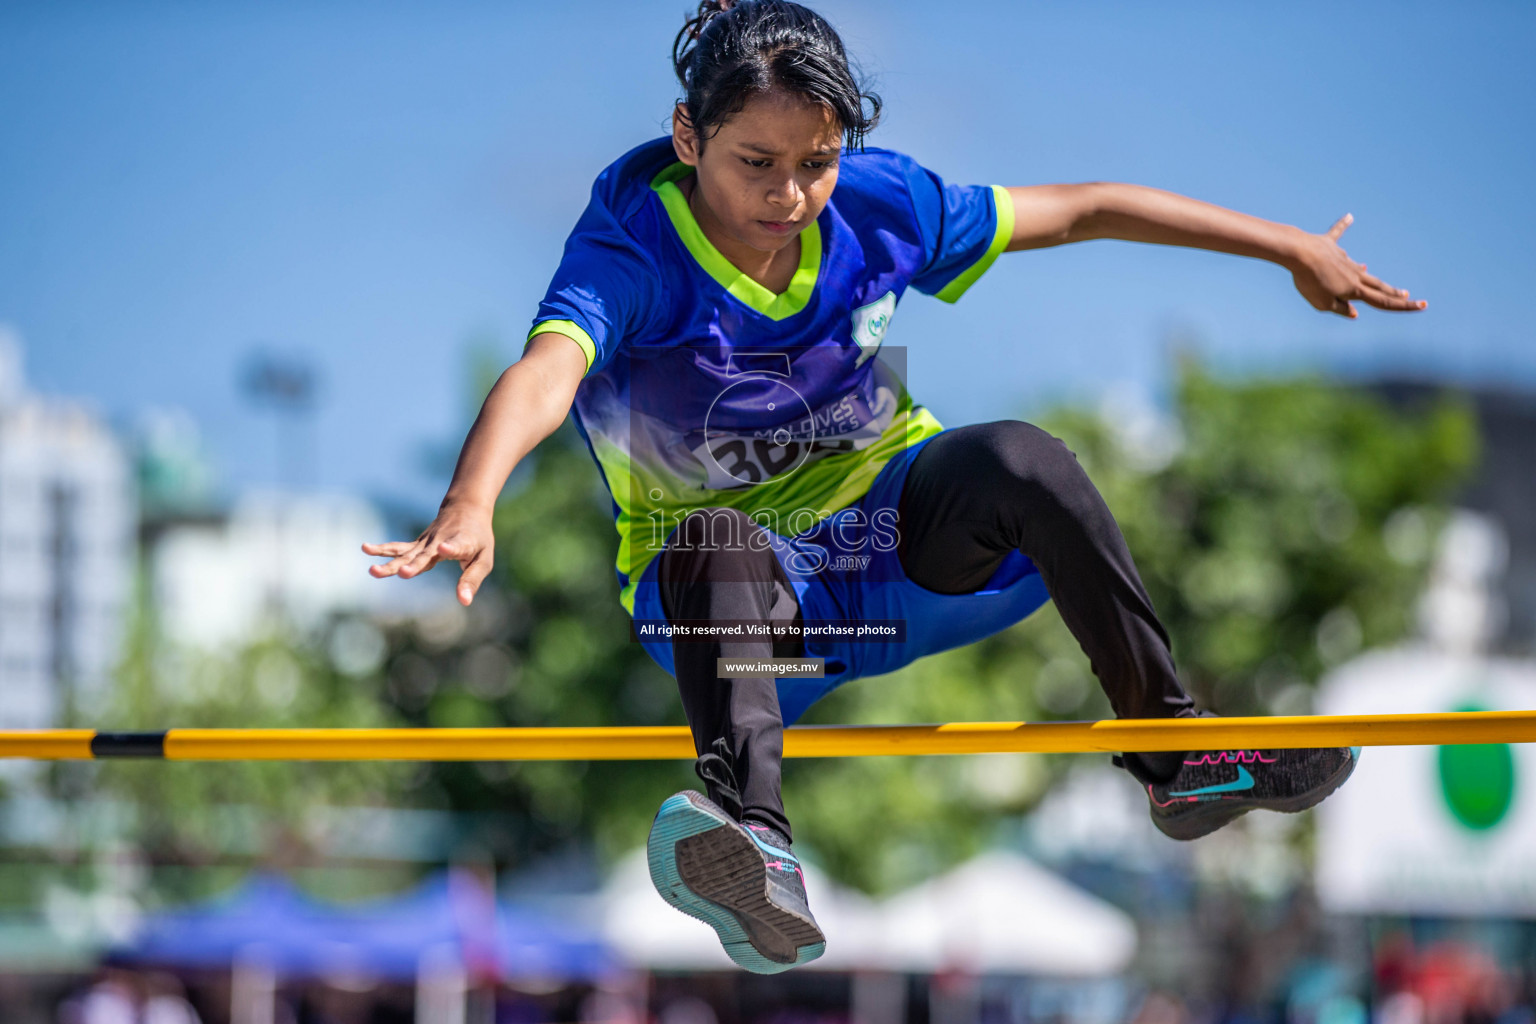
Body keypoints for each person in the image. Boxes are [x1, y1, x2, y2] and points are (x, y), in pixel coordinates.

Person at [364, 0, 1425, 975]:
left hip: (902, 550)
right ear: (687, 138)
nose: (788, 197)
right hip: (747, 620)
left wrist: (1285, 244)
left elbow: (1086, 208)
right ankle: (758, 849)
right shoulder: (631, 245)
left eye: (816, 163)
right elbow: (546, 370)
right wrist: (474, 497)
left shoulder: (881, 205)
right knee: (714, 537)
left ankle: (1174, 752)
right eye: (756, 164)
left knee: (1023, 458)